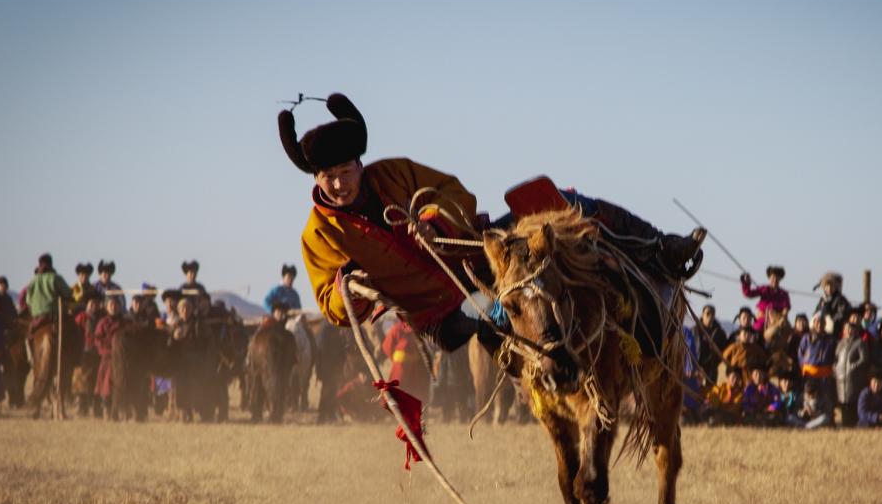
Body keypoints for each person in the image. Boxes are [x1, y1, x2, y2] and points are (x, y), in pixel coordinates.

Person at [283, 93, 704, 355]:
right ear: (315, 178)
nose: (338, 183)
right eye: (327, 176)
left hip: (483, 256)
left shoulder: (394, 172)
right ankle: (554, 364)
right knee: (500, 310)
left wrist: (434, 221)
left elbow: (455, 192)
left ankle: (659, 246)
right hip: (444, 312)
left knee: (559, 201)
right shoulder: (318, 233)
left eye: (345, 171)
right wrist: (351, 287)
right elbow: (330, 303)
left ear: (359, 164)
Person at [93, 295, 127, 418]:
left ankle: (120, 410)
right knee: (106, 383)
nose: (113, 307)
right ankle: (106, 408)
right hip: (107, 359)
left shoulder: (124, 322)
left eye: (115, 305)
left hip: (122, 360)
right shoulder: (102, 323)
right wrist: (107, 352)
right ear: (107, 307)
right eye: (111, 305)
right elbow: (98, 340)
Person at [798, 315, 836, 414]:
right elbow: (800, 354)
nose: (819, 325)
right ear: (814, 324)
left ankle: (828, 419)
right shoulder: (807, 338)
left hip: (825, 375)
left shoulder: (831, 339)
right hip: (809, 375)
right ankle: (808, 416)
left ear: (825, 324)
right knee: (809, 397)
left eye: (822, 323)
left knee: (826, 398)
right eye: (817, 322)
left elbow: (835, 356)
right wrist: (804, 367)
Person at [73, 292, 104, 417]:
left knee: (98, 380)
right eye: (91, 303)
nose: (93, 306)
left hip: (98, 353)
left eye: (96, 303)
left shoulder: (102, 317)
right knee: (82, 380)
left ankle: (97, 408)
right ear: (87, 304)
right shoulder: (81, 317)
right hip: (84, 352)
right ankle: (82, 407)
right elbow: (75, 334)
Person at [835, 321, 869, 427]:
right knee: (843, 404)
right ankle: (845, 426)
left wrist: (853, 366)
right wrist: (835, 368)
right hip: (841, 379)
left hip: (854, 379)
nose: (849, 331)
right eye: (847, 328)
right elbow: (836, 358)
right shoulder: (840, 343)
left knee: (853, 403)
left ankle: (855, 426)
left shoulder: (860, 343)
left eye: (851, 328)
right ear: (843, 331)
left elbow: (864, 358)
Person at [740, 266, 790, 333]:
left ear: (780, 279)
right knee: (756, 329)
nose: (774, 280)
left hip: (778, 320)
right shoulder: (763, 289)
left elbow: (786, 308)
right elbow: (748, 293)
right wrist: (746, 282)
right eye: (772, 278)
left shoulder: (784, 294)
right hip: (762, 319)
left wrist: (782, 318)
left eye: (777, 278)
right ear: (769, 278)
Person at [694, 304, 728, 385]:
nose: (710, 316)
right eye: (708, 313)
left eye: (712, 314)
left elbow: (724, 351)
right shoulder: (694, 331)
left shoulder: (720, 333)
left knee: (710, 393)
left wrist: (716, 362)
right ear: (702, 315)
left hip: (712, 369)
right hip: (696, 367)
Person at [812, 273, 852, 339]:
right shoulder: (823, 299)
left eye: (831, 286)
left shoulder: (840, 299)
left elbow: (841, 314)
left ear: (835, 286)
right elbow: (816, 313)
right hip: (821, 331)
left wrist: (830, 320)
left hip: (835, 331)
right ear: (824, 287)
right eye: (827, 286)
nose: (829, 288)